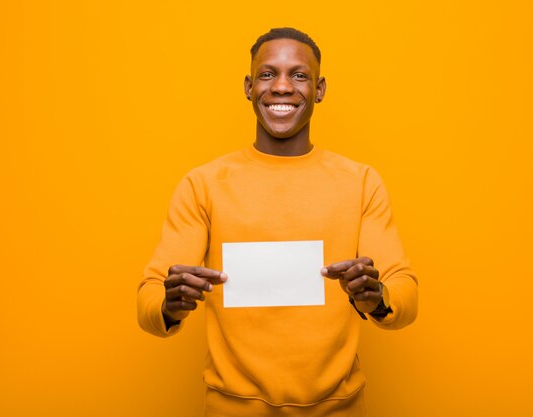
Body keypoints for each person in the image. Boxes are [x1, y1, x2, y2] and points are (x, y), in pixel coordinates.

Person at [137, 27, 418, 417]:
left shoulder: (361, 182)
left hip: (340, 408)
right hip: (230, 409)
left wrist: (378, 298)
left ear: (319, 89)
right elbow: (149, 300)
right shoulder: (203, 185)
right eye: (268, 74)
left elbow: (404, 292)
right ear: (249, 87)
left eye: (298, 75)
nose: (282, 87)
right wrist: (169, 305)